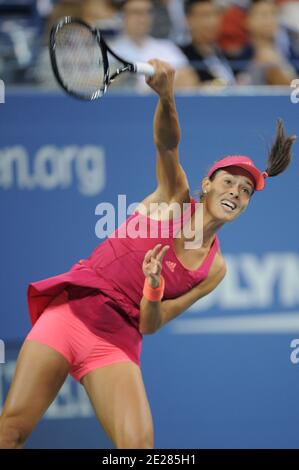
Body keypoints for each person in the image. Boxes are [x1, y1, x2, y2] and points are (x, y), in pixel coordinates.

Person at [0, 59, 295, 449]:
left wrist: (154, 287)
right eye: (229, 182)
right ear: (207, 184)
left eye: (244, 192)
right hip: (70, 314)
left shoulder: (215, 268)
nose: (235, 194)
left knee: (139, 452)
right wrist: (167, 96)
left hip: (116, 340)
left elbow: (151, 324)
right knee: (12, 431)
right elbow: (167, 143)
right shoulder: (173, 199)